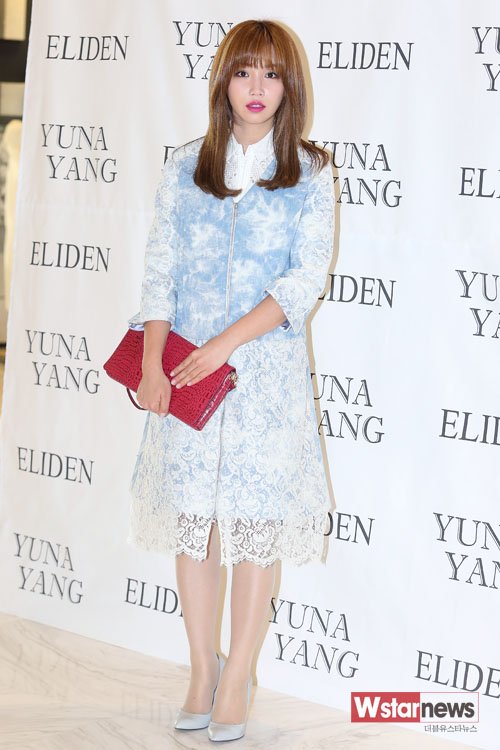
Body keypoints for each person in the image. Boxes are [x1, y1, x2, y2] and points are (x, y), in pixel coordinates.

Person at [127, 18, 335, 743]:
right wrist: (152, 364)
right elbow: (159, 270)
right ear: (223, 80)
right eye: (244, 70)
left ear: (289, 86)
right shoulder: (185, 167)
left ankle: (239, 673)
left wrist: (225, 345)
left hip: (264, 382)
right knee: (195, 529)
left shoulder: (311, 173)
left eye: (272, 73)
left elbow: (303, 282)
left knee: (252, 530)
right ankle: (200, 669)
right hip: (186, 376)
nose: (257, 87)